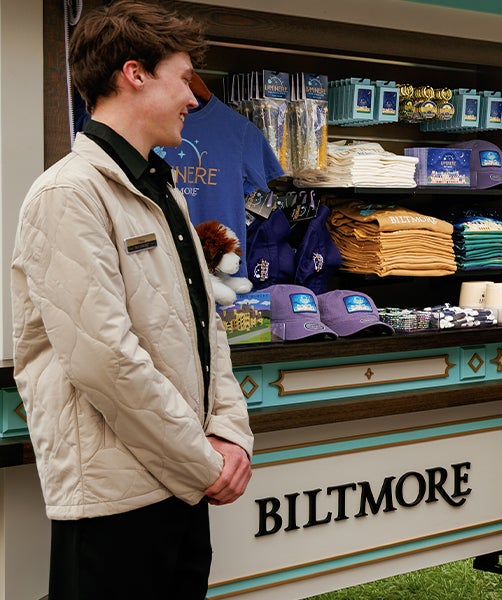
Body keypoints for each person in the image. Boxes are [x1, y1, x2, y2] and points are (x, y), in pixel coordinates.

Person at [10, 3, 254, 598]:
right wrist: (202, 462)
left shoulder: (160, 189)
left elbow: (205, 327)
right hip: (114, 504)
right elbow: (105, 361)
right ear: (134, 73)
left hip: (180, 486)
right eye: (183, 78)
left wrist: (229, 433)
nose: (193, 99)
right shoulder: (67, 193)